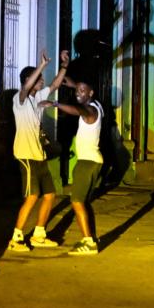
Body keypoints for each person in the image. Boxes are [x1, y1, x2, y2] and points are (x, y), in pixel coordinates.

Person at [8, 49, 70, 252]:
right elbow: (25, 88)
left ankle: (39, 235)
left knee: (50, 195)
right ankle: (16, 238)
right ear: (28, 80)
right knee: (32, 196)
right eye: (38, 78)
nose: (42, 81)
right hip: (25, 156)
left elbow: (55, 84)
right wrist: (42, 65)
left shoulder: (38, 98)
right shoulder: (20, 99)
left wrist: (64, 65)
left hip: (39, 155)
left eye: (41, 78)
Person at [40, 78, 102, 255]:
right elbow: (84, 94)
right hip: (93, 161)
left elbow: (78, 110)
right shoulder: (97, 105)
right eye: (77, 91)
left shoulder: (90, 110)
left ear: (90, 93)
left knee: (76, 201)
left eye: (82, 91)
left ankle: (89, 243)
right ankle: (91, 238)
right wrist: (76, 85)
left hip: (87, 162)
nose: (77, 94)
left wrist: (55, 104)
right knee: (83, 202)